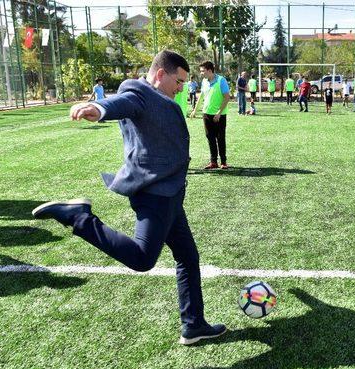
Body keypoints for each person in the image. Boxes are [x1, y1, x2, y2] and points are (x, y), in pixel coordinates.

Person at [31, 50, 226, 345]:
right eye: (179, 81)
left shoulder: (162, 96)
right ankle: (78, 217)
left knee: (188, 257)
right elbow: (122, 103)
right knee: (142, 259)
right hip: (155, 194)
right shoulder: (139, 92)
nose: (182, 88)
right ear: (161, 74)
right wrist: (98, 108)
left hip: (171, 194)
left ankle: (194, 324)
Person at [190, 61, 231, 170]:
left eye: (203, 71)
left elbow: (227, 97)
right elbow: (201, 96)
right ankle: (213, 162)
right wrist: (195, 110)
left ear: (209, 70)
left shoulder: (221, 80)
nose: (201, 73)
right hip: (206, 114)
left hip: (219, 115)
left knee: (220, 138)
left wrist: (219, 112)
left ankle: (223, 162)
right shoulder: (204, 81)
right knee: (210, 138)